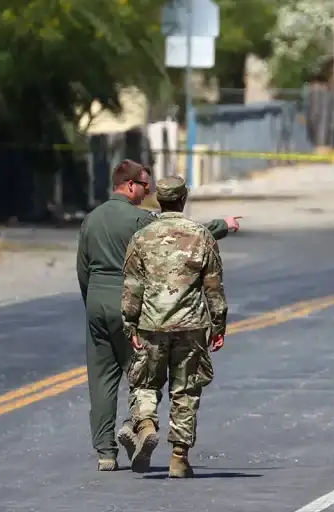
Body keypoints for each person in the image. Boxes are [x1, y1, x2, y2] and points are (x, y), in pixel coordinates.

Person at [75, 159, 239, 471]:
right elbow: (181, 239)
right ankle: (139, 429)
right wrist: (222, 225)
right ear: (130, 185)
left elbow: (82, 268)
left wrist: (91, 303)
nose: (148, 191)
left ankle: (106, 453)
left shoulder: (91, 220)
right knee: (145, 378)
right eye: (144, 185)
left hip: (97, 300)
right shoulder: (140, 223)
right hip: (135, 304)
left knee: (101, 381)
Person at [121, 175, 228, 478]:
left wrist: (130, 325)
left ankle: (145, 424)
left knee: (144, 383)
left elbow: (132, 287)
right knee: (186, 390)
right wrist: (218, 325)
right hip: (191, 326)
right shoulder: (201, 235)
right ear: (183, 199)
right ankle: (179, 458)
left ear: (159, 199)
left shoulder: (141, 237)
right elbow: (214, 287)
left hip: (151, 324)